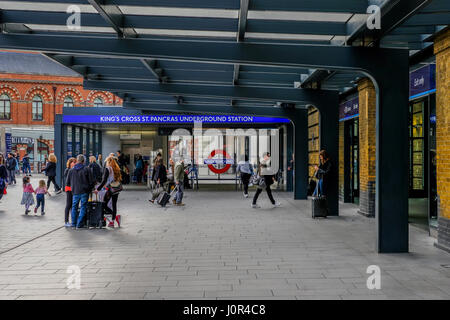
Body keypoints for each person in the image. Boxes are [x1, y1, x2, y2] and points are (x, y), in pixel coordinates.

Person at [66, 154, 96, 229]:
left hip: (75, 191)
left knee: (74, 207)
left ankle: (73, 223)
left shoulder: (71, 170)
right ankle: (79, 224)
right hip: (84, 192)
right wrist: (90, 188)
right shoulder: (87, 169)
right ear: (83, 161)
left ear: (77, 160)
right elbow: (91, 181)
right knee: (83, 207)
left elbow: (67, 182)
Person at [97, 156, 122, 228]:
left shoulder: (108, 169)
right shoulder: (117, 169)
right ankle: (113, 220)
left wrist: (98, 189)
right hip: (116, 189)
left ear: (108, 161)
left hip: (109, 190)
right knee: (114, 204)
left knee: (103, 204)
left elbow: (104, 180)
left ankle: (111, 218)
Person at [63, 157, 76, 227]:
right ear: (70, 163)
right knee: (68, 205)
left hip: (74, 189)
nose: (75, 163)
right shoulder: (68, 170)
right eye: (73, 162)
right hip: (69, 189)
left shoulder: (73, 170)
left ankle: (72, 220)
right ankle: (66, 221)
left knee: (72, 205)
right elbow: (68, 181)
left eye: (75, 162)